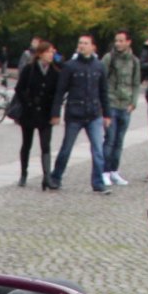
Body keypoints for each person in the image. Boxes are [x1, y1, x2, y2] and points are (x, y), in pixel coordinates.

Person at [48, 33, 111, 192]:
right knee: (66, 148)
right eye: (80, 43)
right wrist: (55, 113)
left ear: (93, 46)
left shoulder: (99, 66)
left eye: (85, 43)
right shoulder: (70, 66)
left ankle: (98, 182)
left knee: (98, 150)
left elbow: (104, 91)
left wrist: (107, 114)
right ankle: (56, 177)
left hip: (94, 114)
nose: (82, 45)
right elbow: (60, 91)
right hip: (75, 114)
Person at [15, 39, 60, 187]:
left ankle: (46, 177)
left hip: (45, 114)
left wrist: (55, 113)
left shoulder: (55, 72)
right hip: (29, 112)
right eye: (48, 52)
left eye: (52, 52)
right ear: (40, 54)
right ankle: (23, 173)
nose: (51, 54)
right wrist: (28, 103)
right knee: (26, 144)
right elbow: (19, 89)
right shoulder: (30, 69)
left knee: (45, 145)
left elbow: (57, 95)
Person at [100, 28, 141, 186]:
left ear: (128, 42)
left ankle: (114, 171)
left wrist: (133, 102)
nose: (118, 43)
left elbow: (136, 82)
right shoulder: (109, 58)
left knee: (119, 141)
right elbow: (102, 81)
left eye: (121, 40)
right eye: (116, 40)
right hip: (111, 103)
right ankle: (104, 171)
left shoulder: (134, 61)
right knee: (109, 139)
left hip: (126, 105)